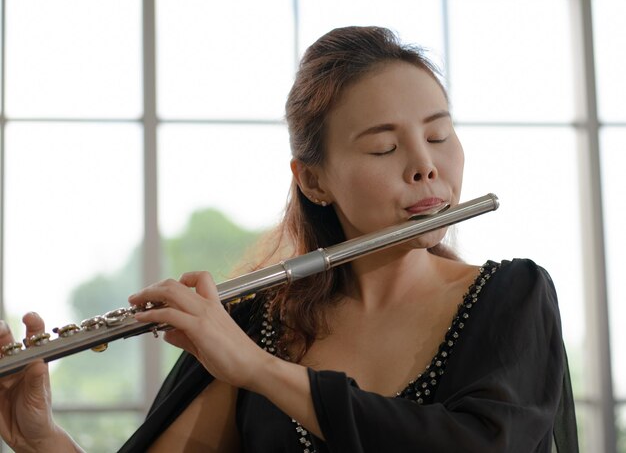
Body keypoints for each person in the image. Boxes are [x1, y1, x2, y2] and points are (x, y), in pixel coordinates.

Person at [0, 26, 578, 453]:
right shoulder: (257, 324)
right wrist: (40, 439)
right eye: (384, 147)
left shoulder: (513, 295)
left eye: (440, 134)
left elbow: (481, 446)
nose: (425, 166)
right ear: (315, 180)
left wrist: (256, 370)